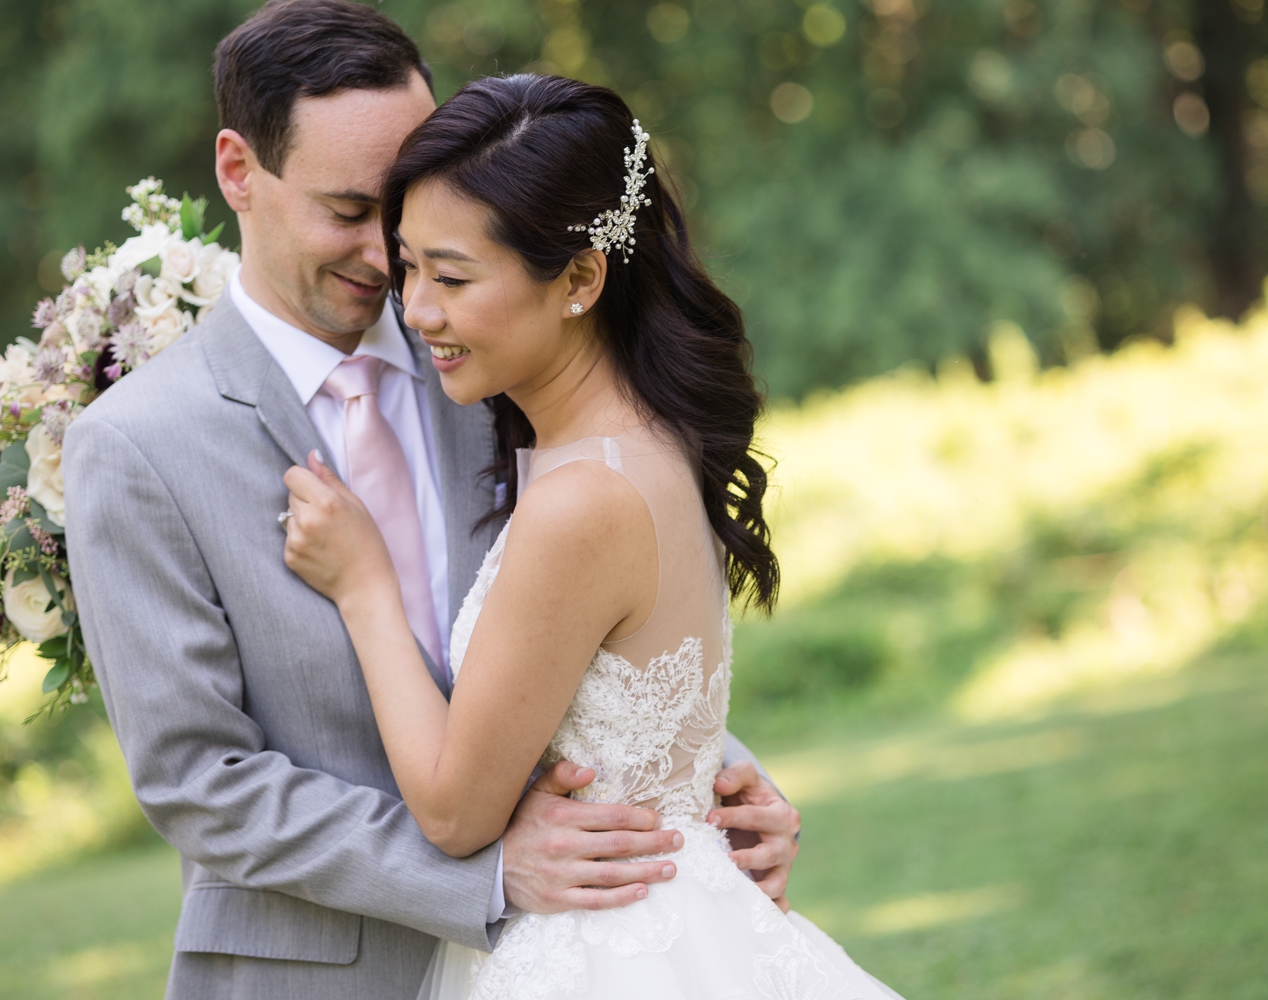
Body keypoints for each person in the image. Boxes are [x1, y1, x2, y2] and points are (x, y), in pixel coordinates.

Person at [62, 2, 797, 998]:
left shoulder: (490, 348)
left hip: (582, 946)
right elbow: (201, 782)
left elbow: (572, 613)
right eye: (349, 212)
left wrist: (698, 774)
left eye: (405, 212)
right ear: (240, 172)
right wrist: (486, 874)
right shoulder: (138, 444)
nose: (388, 260)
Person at [280, 73, 901, 1000]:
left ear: (579, 278)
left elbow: (453, 811)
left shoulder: (582, 497)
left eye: (451, 277)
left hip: (614, 948)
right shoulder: (638, 441)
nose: (416, 310)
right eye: (407, 266)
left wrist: (365, 589)